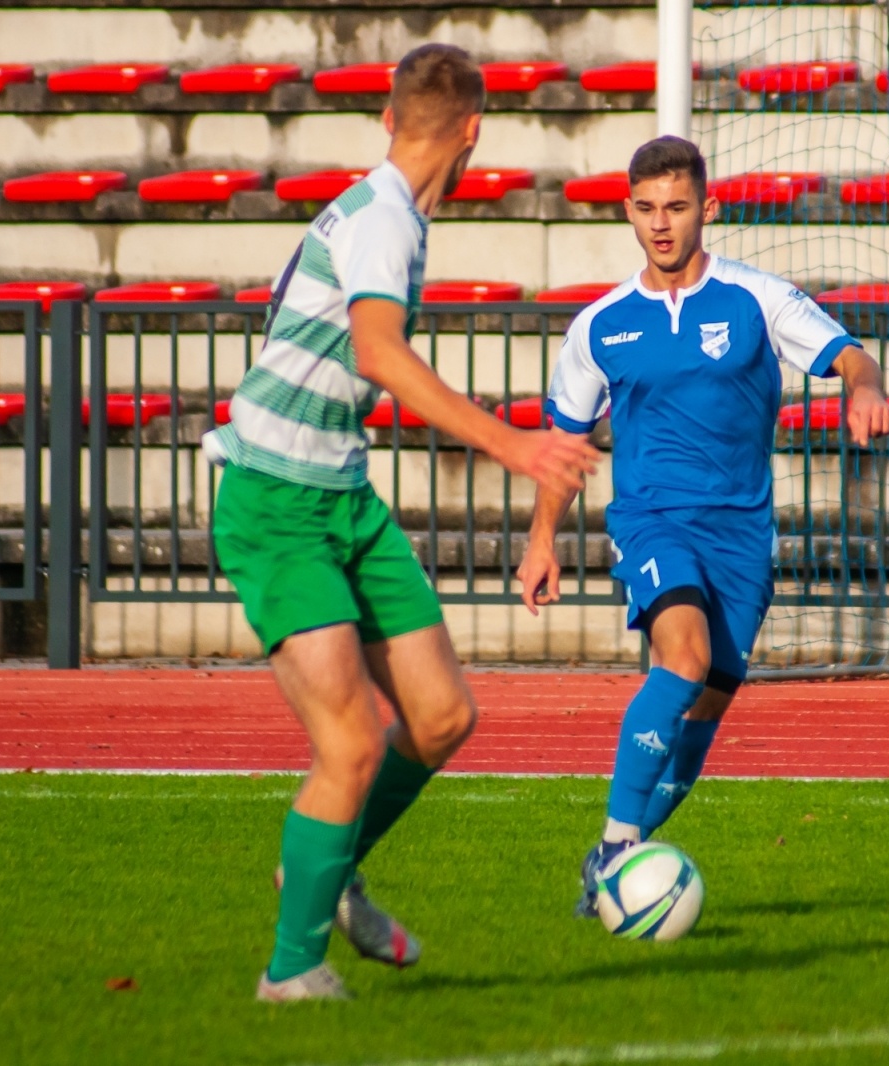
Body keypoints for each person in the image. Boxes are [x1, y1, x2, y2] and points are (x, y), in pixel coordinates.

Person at [203, 44, 599, 1000]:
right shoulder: (383, 221)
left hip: (341, 494)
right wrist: (512, 446)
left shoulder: (384, 212)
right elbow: (378, 352)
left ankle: (326, 870)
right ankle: (290, 973)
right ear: (474, 133)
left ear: (387, 117)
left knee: (440, 715)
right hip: (274, 498)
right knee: (346, 744)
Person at [516, 136, 889, 919]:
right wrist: (540, 539)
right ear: (629, 211)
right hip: (653, 519)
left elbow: (849, 355)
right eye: (647, 209)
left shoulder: (757, 299)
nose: (662, 225)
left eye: (677, 207)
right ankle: (622, 846)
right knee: (681, 658)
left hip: (742, 534)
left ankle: (608, 872)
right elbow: (567, 440)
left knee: (707, 710)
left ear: (707, 209)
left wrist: (864, 389)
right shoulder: (598, 326)